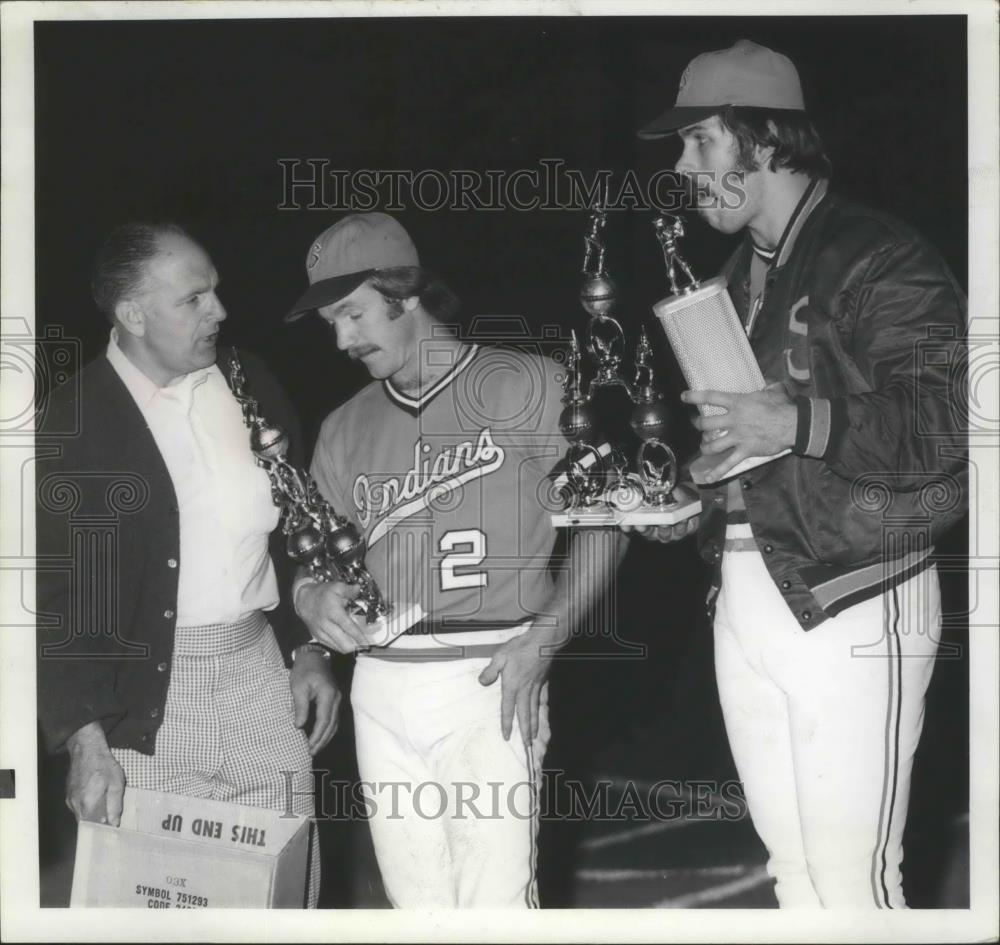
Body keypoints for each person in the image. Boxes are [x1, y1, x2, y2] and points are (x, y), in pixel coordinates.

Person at [632, 40, 968, 908]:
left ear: (767, 140)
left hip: (854, 587)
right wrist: (691, 498)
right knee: (795, 881)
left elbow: (950, 425)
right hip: (747, 587)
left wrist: (799, 419)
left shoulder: (878, 254)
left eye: (699, 140)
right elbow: (751, 455)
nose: (682, 166)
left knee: (856, 885)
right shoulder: (732, 279)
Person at [284, 212, 625, 908]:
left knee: (495, 908)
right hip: (381, 682)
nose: (343, 339)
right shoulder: (344, 425)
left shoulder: (531, 383)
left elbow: (610, 522)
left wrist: (547, 638)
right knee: (418, 911)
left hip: (490, 674)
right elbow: (314, 566)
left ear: (406, 294)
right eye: (332, 325)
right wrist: (309, 607)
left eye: (353, 314)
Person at [36, 223, 341, 907]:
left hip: (260, 682)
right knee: (160, 907)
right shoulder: (70, 419)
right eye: (194, 299)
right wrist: (83, 737)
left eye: (217, 292)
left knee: (281, 896)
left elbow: (301, 525)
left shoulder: (248, 380)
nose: (220, 312)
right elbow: (53, 599)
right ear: (133, 314)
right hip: (144, 705)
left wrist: (310, 647)